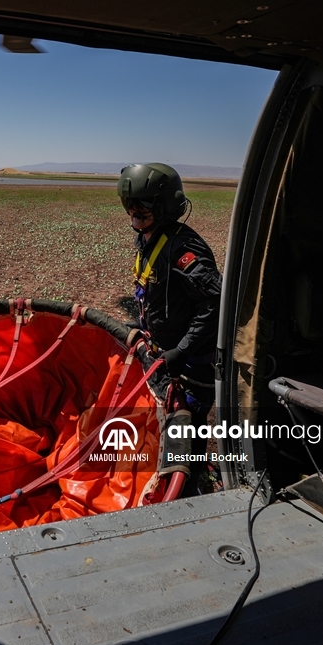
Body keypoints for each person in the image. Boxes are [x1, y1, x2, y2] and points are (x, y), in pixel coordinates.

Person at [118, 163, 223, 496]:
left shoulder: (184, 250)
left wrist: (184, 349)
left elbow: (214, 304)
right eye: (129, 204)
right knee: (170, 415)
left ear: (165, 206)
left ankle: (187, 485)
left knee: (189, 417)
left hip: (193, 360)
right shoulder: (148, 239)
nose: (135, 212)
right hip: (165, 351)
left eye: (143, 205)